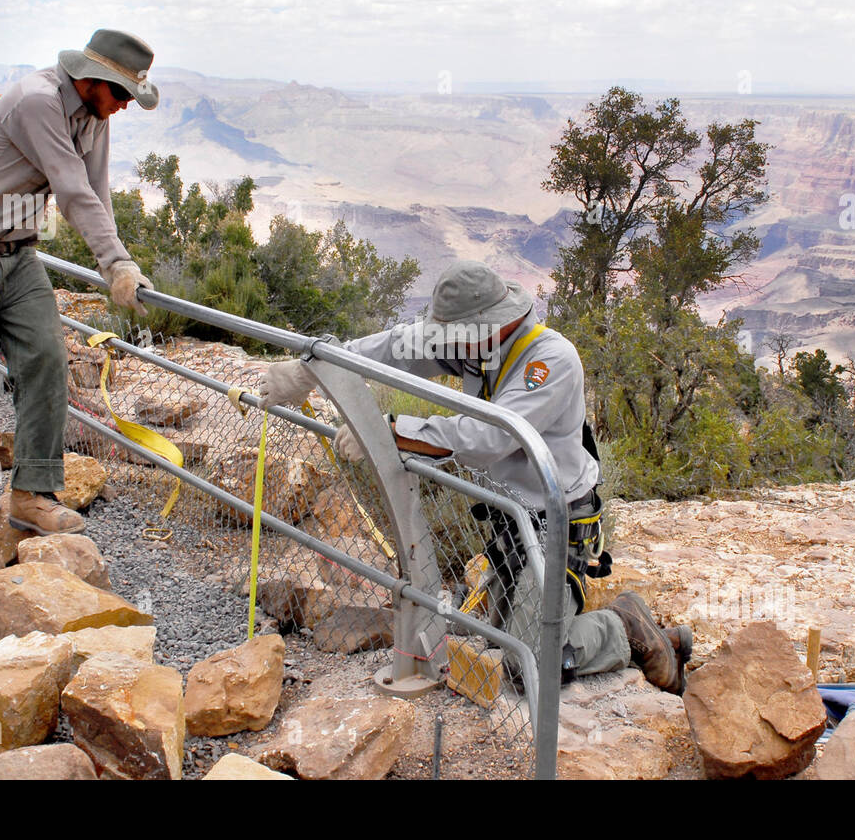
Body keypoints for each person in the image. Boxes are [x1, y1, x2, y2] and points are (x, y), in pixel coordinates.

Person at [261, 260, 693, 694]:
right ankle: (562, 618)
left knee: (531, 662)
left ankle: (626, 624)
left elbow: (491, 435)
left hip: (557, 524)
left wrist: (392, 432)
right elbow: (396, 346)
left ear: (491, 325)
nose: (446, 342)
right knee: (497, 638)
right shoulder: (476, 344)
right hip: (511, 519)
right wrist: (312, 370)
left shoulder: (550, 360)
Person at [0, 28, 160, 535]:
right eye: (121, 94)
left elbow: (95, 189)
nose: (124, 106)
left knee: (46, 359)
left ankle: (32, 494)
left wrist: (118, 265)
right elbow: (70, 189)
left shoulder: (95, 113)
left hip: (18, 252)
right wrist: (113, 262)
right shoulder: (37, 102)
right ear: (93, 79)